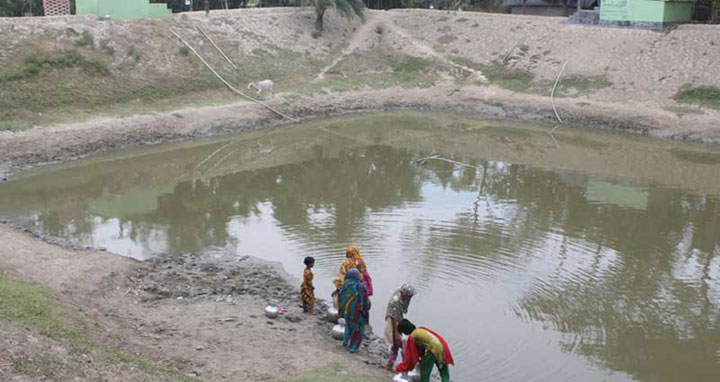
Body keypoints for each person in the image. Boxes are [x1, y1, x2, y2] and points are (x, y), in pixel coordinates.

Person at [338, 268, 370, 353]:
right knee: (357, 330)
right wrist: (365, 310)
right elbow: (365, 301)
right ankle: (353, 347)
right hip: (357, 314)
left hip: (347, 312)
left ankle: (346, 343)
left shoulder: (346, 285)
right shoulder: (360, 287)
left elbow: (341, 297)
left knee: (348, 327)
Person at [385, 284, 416, 370]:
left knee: (398, 344)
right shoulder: (395, 303)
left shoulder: (400, 294)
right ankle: (392, 365)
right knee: (396, 343)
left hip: (397, 321)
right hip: (393, 323)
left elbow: (403, 311)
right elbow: (393, 319)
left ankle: (396, 364)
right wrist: (397, 333)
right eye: (409, 296)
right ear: (405, 294)